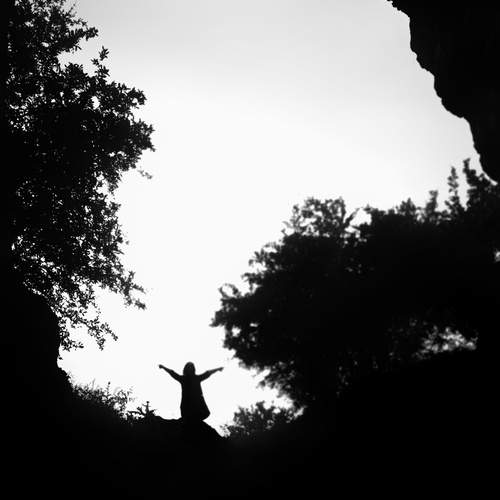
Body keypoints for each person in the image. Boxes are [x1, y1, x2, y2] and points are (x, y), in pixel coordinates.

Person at [158, 362, 223, 422]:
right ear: (185, 369)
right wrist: (163, 367)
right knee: (189, 418)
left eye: (191, 367)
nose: (190, 369)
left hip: (198, 405)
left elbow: (208, 373)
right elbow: (172, 373)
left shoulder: (197, 378)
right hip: (187, 405)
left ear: (193, 369)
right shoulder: (183, 379)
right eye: (188, 367)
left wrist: (218, 369)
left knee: (205, 414)